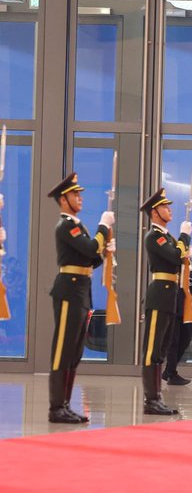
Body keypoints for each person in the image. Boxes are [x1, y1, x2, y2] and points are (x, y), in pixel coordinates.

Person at [46, 172, 114, 424]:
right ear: (63, 200)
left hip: (81, 291)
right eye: (75, 194)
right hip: (68, 292)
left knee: (74, 352)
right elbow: (87, 248)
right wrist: (103, 227)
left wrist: (105, 251)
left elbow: (90, 259)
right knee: (63, 349)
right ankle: (55, 408)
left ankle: (64, 404)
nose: (80, 197)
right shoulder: (67, 225)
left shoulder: (77, 225)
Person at [138, 188, 189, 416]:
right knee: (153, 349)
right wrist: (185, 237)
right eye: (165, 207)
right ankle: (151, 400)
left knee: (161, 349)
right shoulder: (154, 236)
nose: (170, 210)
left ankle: (157, 398)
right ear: (155, 211)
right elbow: (177, 257)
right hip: (159, 294)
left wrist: (180, 242)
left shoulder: (167, 237)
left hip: (170, 296)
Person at [163, 249, 192, 386]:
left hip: (188, 310)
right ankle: (172, 373)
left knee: (185, 341)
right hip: (175, 309)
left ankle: (168, 370)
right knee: (173, 343)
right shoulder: (175, 269)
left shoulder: (191, 270)